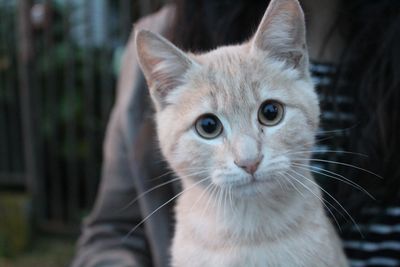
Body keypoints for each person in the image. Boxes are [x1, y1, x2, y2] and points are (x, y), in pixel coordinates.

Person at [71, 0, 400, 266]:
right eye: (209, 126)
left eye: (269, 113)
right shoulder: (170, 27)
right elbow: (113, 232)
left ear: (297, 62)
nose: (248, 157)